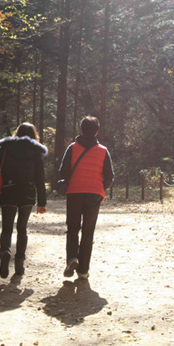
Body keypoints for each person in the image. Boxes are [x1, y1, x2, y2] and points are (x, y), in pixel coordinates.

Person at [0, 123, 48, 278]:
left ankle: (5, 252)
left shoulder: (6, 148)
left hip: (9, 190)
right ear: (34, 135)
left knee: (6, 228)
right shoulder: (35, 152)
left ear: (17, 133)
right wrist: (42, 202)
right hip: (27, 192)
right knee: (22, 229)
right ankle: (20, 261)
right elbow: (40, 178)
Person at [58, 116, 113, 281]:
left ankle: (71, 258)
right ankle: (83, 270)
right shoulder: (103, 151)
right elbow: (110, 176)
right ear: (97, 131)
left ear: (81, 130)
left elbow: (63, 172)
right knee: (88, 232)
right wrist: (101, 189)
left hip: (75, 192)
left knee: (73, 228)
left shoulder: (72, 148)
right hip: (94, 194)